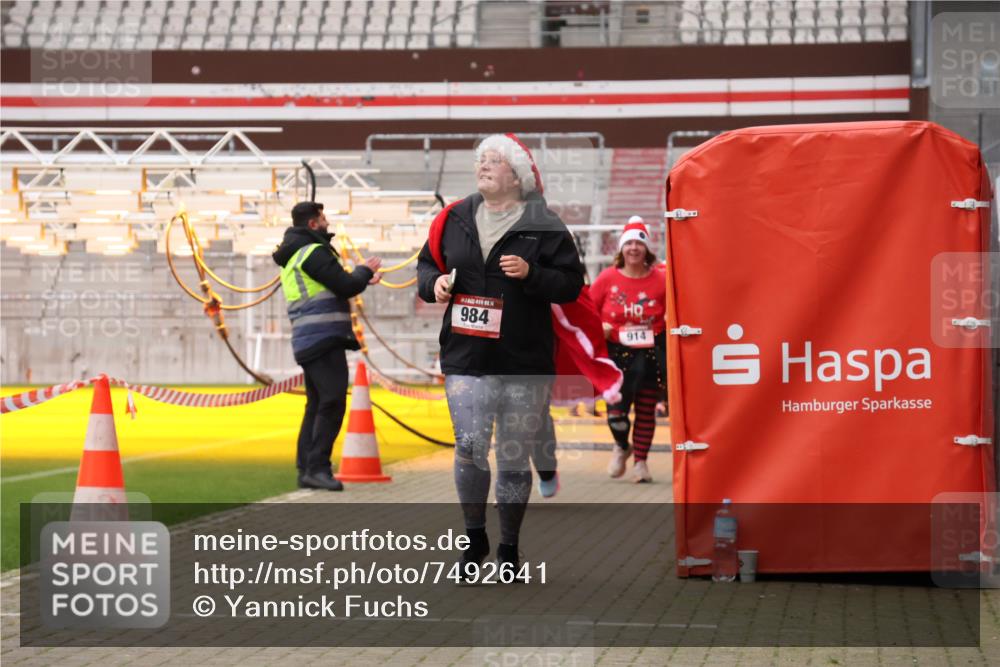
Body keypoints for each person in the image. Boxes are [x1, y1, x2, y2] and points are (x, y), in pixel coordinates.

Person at [417, 133, 585, 574]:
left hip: (523, 361)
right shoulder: (452, 217)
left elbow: (571, 285)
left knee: (512, 456)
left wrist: (533, 274)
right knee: (470, 448)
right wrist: (432, 284)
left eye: (495, 160)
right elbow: (426, 264)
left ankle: (508, 547)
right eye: (482, 159)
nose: (484, 166)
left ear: (519, 175)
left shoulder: (544, 222)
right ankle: (474, 541)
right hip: (466, 359)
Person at [273, 201, 382, 491]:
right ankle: (317, 467)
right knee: (332, 402)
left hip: (309, 337)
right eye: (323, 219)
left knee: (317, 405)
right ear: (312, 224)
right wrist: (363, 271)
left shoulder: (297, 254)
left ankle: (306, 469)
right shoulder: (313, 252)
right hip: (322, 337)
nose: (327, 223)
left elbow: (336, 283)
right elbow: (346, 286)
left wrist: (361, 278)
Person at [590, 217, 667, 483]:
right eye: (629, 243)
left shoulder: (662, 280)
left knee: (646, 409)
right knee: (617, 413)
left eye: (639, 243)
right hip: (616, 356)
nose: (634, 248)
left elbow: (677, 312)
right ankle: (622, 445)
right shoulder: (607, 277)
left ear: (647, 249)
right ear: (621, 248)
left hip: (650, 355)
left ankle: (641, 463)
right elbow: (588, 311)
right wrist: (601, 326)